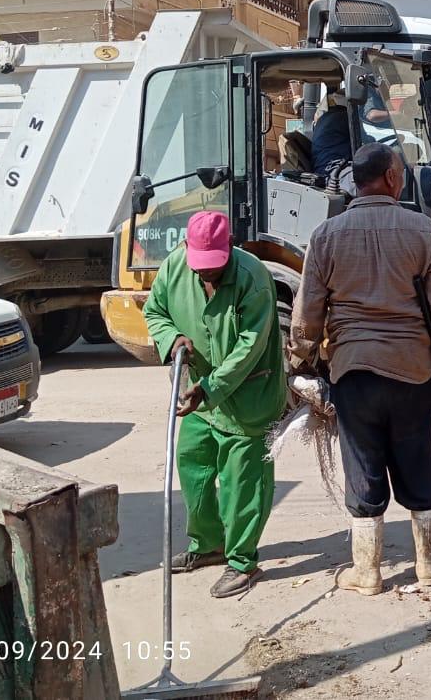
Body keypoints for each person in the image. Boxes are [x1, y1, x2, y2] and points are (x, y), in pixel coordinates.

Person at [291, 143, 431, 596]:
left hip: (354, 374)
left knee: (363, 467)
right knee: (418, 464)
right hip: (412, 372)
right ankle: (429, 565)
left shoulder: (326, 235)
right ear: (390, 178)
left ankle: (367, 573)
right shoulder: (422, 230)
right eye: (401, 173)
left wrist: (300, 361)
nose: (402, 179)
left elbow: (308, 313)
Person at [142, 210, 287, 597]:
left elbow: (249, 347)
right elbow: (154, 311)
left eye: (215, 265)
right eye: (200, 265)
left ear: (230, 248)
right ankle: (208, 545)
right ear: (186, 249)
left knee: (243, 483)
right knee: (193, 465)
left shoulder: (253, 278)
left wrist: (210, 388)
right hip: (200, 396)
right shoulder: (174, 267)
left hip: (249, 396)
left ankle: (242, 561)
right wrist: (171, 338)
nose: (207, 273)